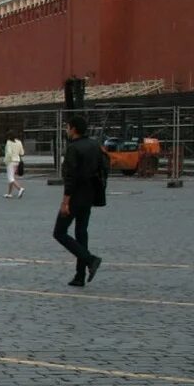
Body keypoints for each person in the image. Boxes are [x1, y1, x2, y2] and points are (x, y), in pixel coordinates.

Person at [56, 115, 108, 287]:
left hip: (75, 195)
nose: (66, 130)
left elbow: (70, 177)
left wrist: (65, 201)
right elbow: (104, 167)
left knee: (59, 232)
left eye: (67, 127)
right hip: (89, 194)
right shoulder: (95, 145)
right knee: (81, 232)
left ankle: (90, 259)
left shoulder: (73, 148)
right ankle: (80, 275)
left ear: (73, 129)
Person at [3, 132, 27, 198]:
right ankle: (9, 193)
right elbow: (22, 153)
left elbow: (9, 153)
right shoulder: (19, 142)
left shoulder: (8, 142)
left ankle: (20, 188)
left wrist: (6, 161)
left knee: (10, 178)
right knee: (12, 177)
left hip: (10, 161)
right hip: (17, 161)